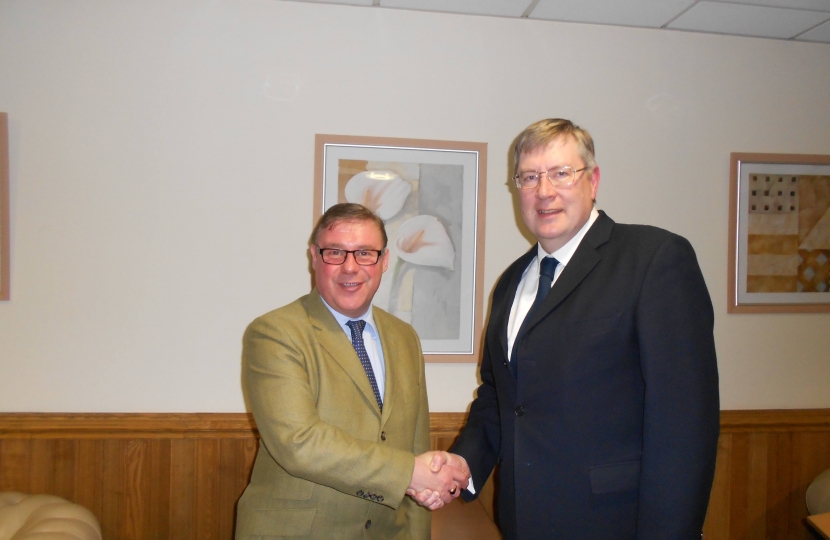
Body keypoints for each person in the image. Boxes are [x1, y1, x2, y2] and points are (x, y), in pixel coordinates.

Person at [450, 119, 720, 539]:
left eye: (561, 173)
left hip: (616, 524)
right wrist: (463, 465)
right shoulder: (511, 283)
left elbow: (684, 426)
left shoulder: (654, 260)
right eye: (529, 177)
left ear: (592, 181)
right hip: (523, 522)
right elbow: (499, 398)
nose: (544, 190)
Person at [236, 203, 469, 540]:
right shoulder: (275, 333)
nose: (350, 267)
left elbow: (416, 443)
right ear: (314, 258)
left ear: (384, 261)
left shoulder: (404, 338)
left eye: (364, 253)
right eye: (335, 252)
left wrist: (420, 487)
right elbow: (299, 443)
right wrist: (409, 473)